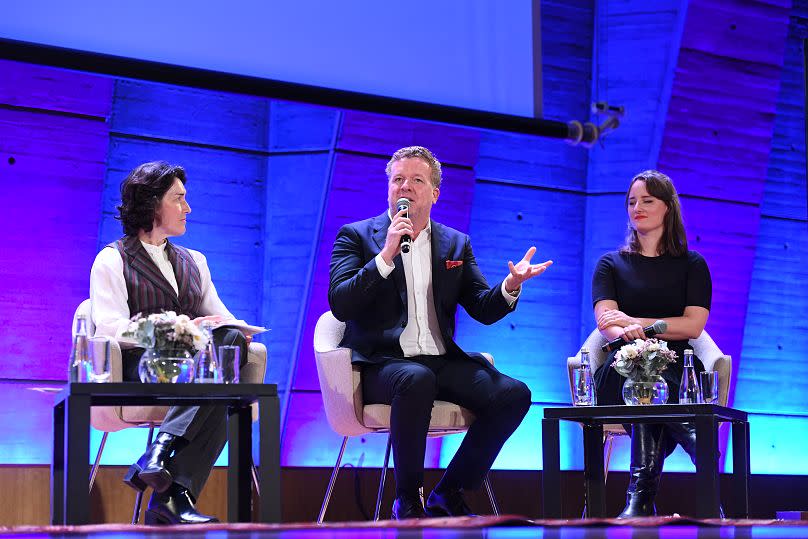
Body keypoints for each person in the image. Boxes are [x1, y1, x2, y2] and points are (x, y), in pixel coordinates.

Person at [328, 146, 552, 519]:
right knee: (414, 379)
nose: (406, 187)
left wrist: (510, 286)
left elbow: (482, 306)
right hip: (381, 365)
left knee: (513, 394)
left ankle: (449, 491)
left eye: (417, 180)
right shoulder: (356, 236)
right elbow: (340, 303)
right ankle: (408, 498)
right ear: (388, 189)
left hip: (439, 360)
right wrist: (384, 257)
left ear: (434, 193)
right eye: (398, 179)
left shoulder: (454, 243)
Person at [90, 161, 248, 524]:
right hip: (143, 366)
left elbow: (222, 320)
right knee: (219, 388)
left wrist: (222, 326)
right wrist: (172, 329)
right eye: (178, 199)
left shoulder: (196, 261)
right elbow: (110, 327)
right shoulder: (112, 259)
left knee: (230, 341)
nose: (187, 208)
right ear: (152, 203)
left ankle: (162, 459)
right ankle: (172, 488)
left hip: (191, 370)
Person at [591, 169, 712, 517]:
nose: (637, 207)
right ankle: (694, 439)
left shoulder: (692, 265)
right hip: (620, 364)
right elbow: (606, 322)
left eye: (647, 200)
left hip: (676, 365)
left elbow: (693, 324)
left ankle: (639, 499)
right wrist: (630, 332)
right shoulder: (610, 264)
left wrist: (637, 323)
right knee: (639, 372)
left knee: (650, 379)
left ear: (667, 208)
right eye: (632, 202)